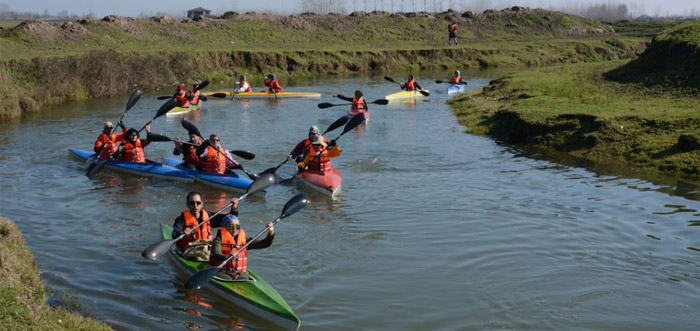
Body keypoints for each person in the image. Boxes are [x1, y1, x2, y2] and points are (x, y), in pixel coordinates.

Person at [172, 192, 239, 261]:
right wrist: (183, 232)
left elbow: (229, 219)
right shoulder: (181, 220)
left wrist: (234, 208)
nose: (195, 206)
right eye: (192, 203)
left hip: (206, 249)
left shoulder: (208, 216)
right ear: (187, 205)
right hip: (189, 252)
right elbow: (174, 235)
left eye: (198, 203)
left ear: (202, 204)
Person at [209, 211, 275, 281]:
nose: (234, 229)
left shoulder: (244, 240)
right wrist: (227, 257)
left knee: (243, 278)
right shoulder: (218, 240)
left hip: (239, 273)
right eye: (231, 226)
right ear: (225, 227)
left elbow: (265, 244)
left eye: (237, 226)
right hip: (222, 271)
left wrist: (270, 233)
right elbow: (216, 254)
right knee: (228, 278)